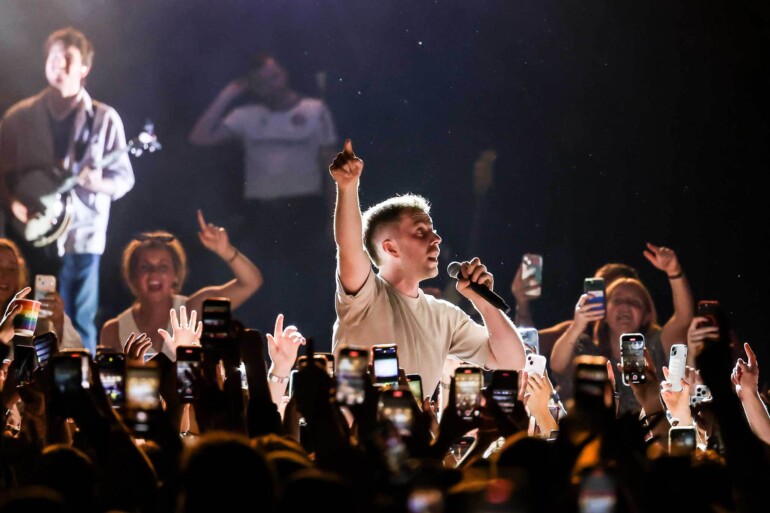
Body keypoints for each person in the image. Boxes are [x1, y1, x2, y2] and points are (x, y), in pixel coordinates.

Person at [329, 139, 526, 398]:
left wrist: (484, 304)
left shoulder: (444, 316)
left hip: (418, 438)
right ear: (390, 248)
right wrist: (347, 187)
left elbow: (512, 362)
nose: (436, 239)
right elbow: (350, 247)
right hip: (356, 438)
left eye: (433, 230)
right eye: (420, 231)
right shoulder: (365, 298)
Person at [0, 27, 135, 353]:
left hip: (81, 236)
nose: (58, 65)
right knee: (24, 319)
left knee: (75, 318)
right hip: (28, 235)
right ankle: (25, 393)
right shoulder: (19, 117)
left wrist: (95, 182)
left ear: (84, 68)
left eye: (67, 59)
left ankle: (78, 393)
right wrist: (14, 203)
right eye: (53, 58)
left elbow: (124, 178)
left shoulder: (104, 119)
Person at [189, 52, 338, 344]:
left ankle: (306, 360)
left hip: (304, 211)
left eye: (274, 75)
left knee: (305, 294)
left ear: (284, 73)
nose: (270, 83)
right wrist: (230, 92)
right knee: (264, 293)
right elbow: (200, 136)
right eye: (261, 80)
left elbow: (332, 169)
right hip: (262, 215)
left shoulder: (313, 110)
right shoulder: (247, 116)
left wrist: (333, 222)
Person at [549, 244, 694, 414]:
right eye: (617, 300)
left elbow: (684, 317)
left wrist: (674, 271)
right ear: (604, 312)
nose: (625, 306)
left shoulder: (656, 345)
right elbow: (557, 365)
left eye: (635, 302)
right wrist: (577, 326)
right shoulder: (589, 350)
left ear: (647, 315)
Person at [99, 210, 262, 359]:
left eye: (163, 266)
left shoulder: (194, 309)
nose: (154, 273)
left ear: (176, 275)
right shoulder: (113, 330)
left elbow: (250, 283)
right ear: (133, 276)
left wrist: (225, 250)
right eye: (145, 267)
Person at [0, 238, 81, 348]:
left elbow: (73, 357)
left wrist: (59, 324)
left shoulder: (28, 315)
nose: (4, 275)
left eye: (11, 269)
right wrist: (3, 338)